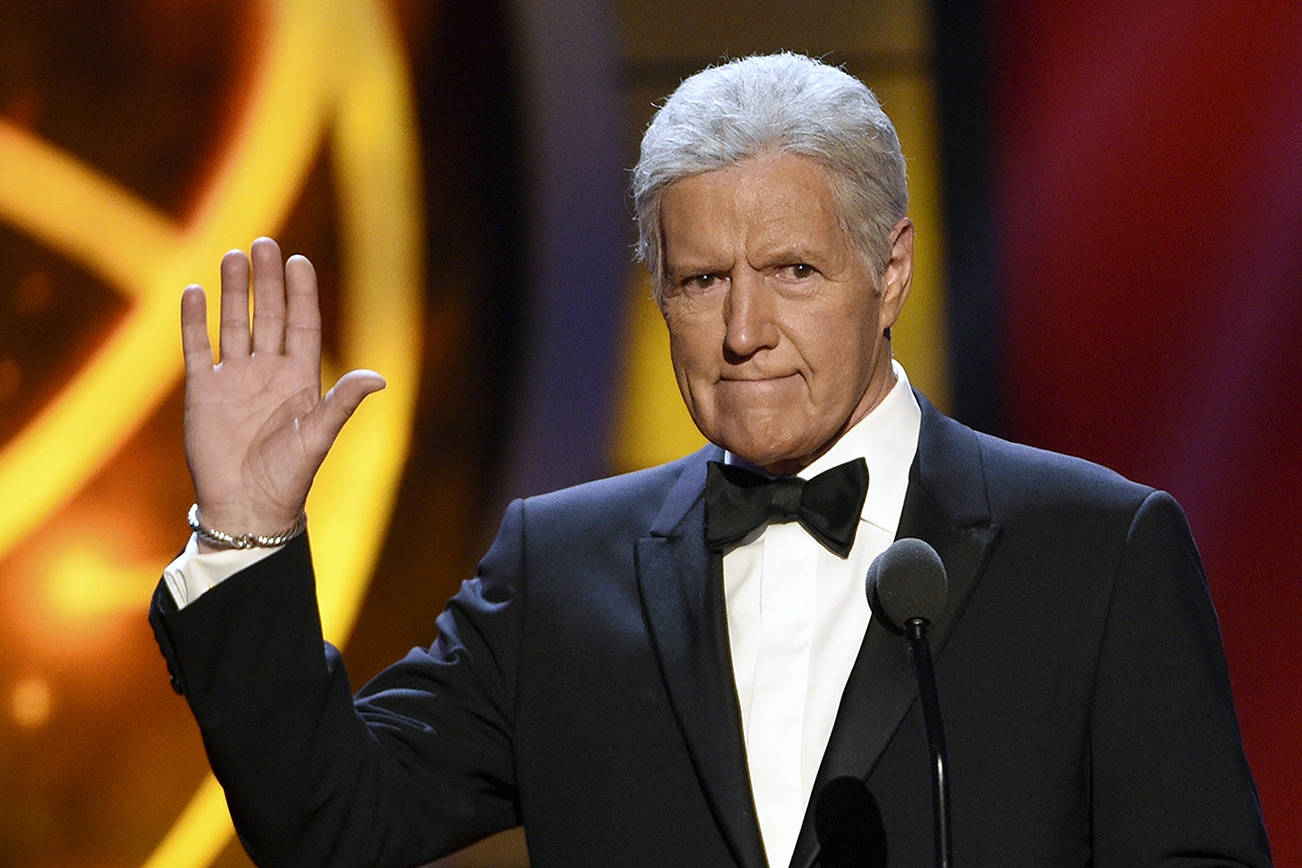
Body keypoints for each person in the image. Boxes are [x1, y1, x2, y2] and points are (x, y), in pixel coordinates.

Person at [150, 53, 1270, 867]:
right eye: (698, 282)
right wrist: (246, 534)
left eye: (791, 271)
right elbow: (334, 823)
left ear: (890, 271)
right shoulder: (559, 568)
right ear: (657, 293)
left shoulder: (1094, 549)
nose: (742, 329)